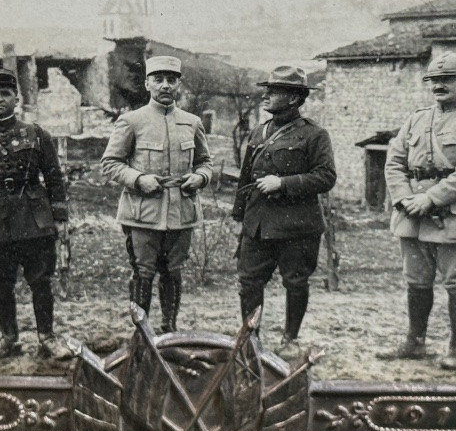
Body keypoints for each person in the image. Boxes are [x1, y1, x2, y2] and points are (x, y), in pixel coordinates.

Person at [378, 51, 456, 369]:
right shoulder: (416, 119)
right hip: (413, 215)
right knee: (416, 280)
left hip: (455, 214)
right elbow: (394, 162)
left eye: (446, 80)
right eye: (433, 80)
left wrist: (431, 198)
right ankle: (415, 342)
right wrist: (404, 198)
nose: (438, 86)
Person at [0, 67, 74, 362]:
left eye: (5, 93)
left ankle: (47, 337)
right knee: (1, 283)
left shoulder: (36, 134)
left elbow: (54, 177)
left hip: (33, 218)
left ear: (16, 98)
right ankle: (9, 338)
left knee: (40, 281)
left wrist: (59, 217)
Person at [100, 55, 213, 333]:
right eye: (159, 80)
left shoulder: (192, 122)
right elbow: (110, 163)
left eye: (171, 80)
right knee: (143, 273)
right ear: (148, 83)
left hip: (181, 212)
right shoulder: (131, 121)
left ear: (178, 85)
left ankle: (168, 330)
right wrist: (139, 179)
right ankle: (142, 333)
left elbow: (205, 162)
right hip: (143, 213)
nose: (165, 85)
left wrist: (199, 178)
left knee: (173, 272)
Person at [232, 66, 336, 360]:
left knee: (296, 281)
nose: (265, 95)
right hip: (259, 223)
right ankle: (250, 337)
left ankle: (290, 338)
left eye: (274, 90)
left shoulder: (314, 135)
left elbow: (326, 177)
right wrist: (240, 217)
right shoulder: (259, 131)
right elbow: (245, 177)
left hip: (297, 226)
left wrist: (284, 183)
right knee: (249, 281)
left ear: (293, 98)